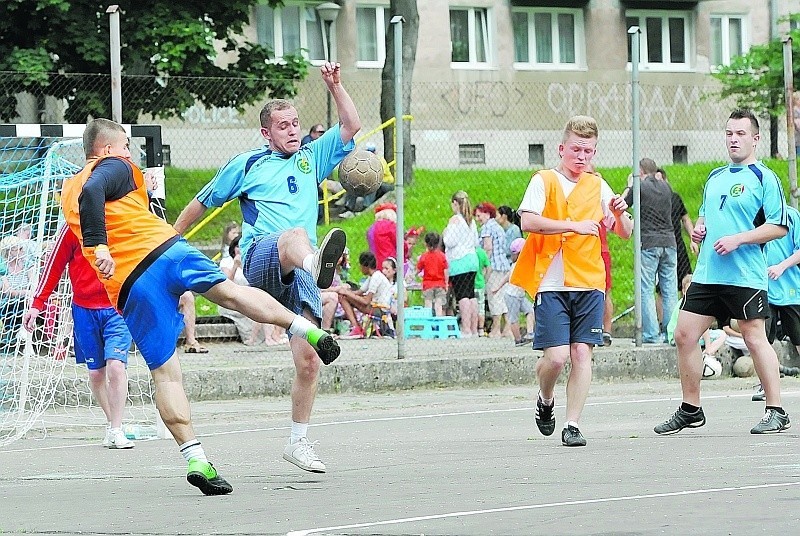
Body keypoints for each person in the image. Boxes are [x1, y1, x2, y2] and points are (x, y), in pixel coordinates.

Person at [64, 118, 340, 495]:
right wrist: (99, 246)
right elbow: (95, 188)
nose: (131, 153)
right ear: (108, 149)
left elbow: (90, 198)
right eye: (126, 146)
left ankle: (196, 458)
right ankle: (306, 328)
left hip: (127, 286)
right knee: (228, 292)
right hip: (162, 252)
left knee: (165, 373)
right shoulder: (114, 166)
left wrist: (102, 247)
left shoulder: (67, 190)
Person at [174, 62, 358, 474]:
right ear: (266, 133)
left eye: (295, 124)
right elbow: (203, 201)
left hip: (300, 270)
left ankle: (298, 442)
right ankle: (316, 262)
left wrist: (335, 85)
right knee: (295, 236)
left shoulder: (313, 157)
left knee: (310, 359)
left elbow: (351, 124)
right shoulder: (248, 164)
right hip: (262, 258)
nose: (293, 131)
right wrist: (172, 236)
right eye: (283, 126)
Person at [653, 108, 790, 436]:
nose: (733, 139)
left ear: (755, 140)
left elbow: (779, 227)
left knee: (754, 336)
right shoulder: (715, 177)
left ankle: (776, 410)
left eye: (741, 134)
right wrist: (698, 231)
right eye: (729, 133)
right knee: (684, 334)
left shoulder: (763, 178)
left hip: (744, 275)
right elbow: (703, 219)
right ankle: (691, 408)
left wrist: (739, 239)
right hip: (707, 274)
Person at [513, 115, 633, 447]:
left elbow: (624, 231)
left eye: (589, 151)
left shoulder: (597, 185)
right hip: (552, 284)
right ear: (562, 148)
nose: (582, 157)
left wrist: (620, 214)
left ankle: (573, 423)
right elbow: (528, 221)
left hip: (589, 281)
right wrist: (572, 225)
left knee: (582, 352)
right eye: (577, 150)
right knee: (555, 358)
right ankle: (546, 398)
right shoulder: (544, 180)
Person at [22, 224, 135, 449]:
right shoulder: (72, 227)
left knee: (116, 366)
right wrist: (37, 304)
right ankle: (112, 421)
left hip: (117, 307)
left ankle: (116, 428)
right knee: (95, 374)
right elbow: (54, 266)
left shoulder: (123, 217)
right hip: (84, 308)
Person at [622, 158, 677, 344]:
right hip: (669, 242)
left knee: (645, 289)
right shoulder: (666, 188)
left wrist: (630, 185)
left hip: (649, 242)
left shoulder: (640, 187)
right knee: (669, 289)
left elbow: (622, 203)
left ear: (641, 171)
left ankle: (651, 334)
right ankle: (670, 333)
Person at [443, 191, 479, 337]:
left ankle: (466, 329)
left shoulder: (455, 220)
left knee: (462, 295)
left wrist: (446, 231)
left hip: (459, 260)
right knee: (471, 295)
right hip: (472, 259)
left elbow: (449, 242)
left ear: (455, 203)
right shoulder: (471, 220)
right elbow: (476, 242)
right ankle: (475, 329)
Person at [335, 251, 394, 338]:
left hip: (380, 309)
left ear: (365, 266)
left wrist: (347, 293)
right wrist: (345, 291)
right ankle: (356, 328)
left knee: (344, 297)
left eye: (361, 265)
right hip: (374, 306)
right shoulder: (372, 276)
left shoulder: (376, 277)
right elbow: (359, 292)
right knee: (343, 297)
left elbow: (366, 301)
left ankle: (356, 327)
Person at [218, 235, 264, 345]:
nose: (240, 249)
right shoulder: (226, 262)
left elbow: (254, 283)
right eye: (237, 246)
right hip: (231, 299)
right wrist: (235, 266)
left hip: (249, 297)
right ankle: (251, 338)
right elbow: (226, 283)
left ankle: (270, 337)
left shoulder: (250, 262)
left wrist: (243, 267)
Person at [475, 201, 511, 338]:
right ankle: (507, 328)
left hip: (494, 266)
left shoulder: (486, 228)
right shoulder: (498, 227)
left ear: (486, 213)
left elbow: (487, 248)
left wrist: (485, 266)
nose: (477, 219)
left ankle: (496, 329)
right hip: (503, 265)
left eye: (479, 216)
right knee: (502, 296)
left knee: (494, 296)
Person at [493, 237, 534, 346]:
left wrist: (498, 287)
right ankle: (518, 339)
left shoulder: (523, 264)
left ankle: (530, 333)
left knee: (530, 310)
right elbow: (509, 277)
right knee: (513, 318)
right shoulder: (517, 265)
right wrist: (498, 287)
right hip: (512, 295)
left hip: (520, 295)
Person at [0, 237, 34, 349]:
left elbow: (34, 283)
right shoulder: (3, 267)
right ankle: (23, 332)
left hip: (27, 301)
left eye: (21, 248)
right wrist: (26, 292)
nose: (22, 251)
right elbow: (8, 292)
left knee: (30, 301)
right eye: (18, 249)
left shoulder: (26, 264)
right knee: (26, 300)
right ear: (9, 251)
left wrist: (29, 292)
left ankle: (25, 332)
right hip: (9, 304)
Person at [416, 231, 449, 317]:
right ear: (438, 243)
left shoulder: (424, 256)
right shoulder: (442, 256)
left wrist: (412, 275)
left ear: (426, 244)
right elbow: (445, 270)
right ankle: (438, 322)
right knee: (439, 305)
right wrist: (446, 283)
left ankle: (428, 320)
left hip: (428, 284)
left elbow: (418, 269)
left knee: (428, 304)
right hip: (440, 284)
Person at [367, 202, 404, 269]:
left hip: (374, 264)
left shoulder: (371, 228)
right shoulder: (391, 226)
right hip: (389, 263)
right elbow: (400, 243)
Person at [360, 142, 395, 208]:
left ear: (375, 152)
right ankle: (347, 207)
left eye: (372, 152)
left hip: (387, 183)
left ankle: (366, 206)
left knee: (372, 185)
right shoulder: (365, 161)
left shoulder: (380, 160)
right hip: (378, 183)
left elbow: (378, 174)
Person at [473, 244, 491, 336]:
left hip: (469, 284)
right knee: (481, 307)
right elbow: (488, 267)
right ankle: (480, 329)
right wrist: (485, 279)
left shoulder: (468, 251)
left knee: (471, 307)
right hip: (480, 283)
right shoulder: (481, 252)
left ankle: (473, 329)